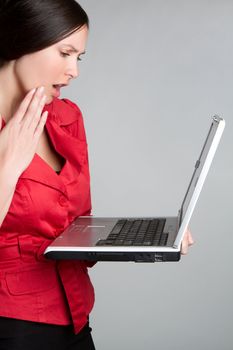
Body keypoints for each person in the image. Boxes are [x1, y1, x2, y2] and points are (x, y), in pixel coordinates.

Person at [0, 0, 194, 349]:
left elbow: (74, 225)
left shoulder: (67, 117)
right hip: (12, 325)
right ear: (21, 43)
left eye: (79, 57)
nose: (74, 71)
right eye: (65, 53)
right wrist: (9, 165)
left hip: (76, 315)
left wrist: (146, 238)